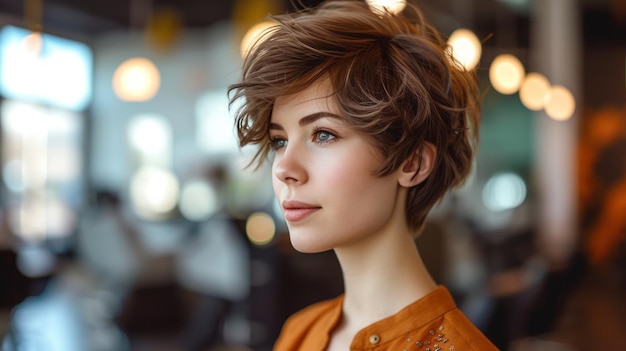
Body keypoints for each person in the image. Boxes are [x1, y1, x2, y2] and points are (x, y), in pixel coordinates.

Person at [228, 1, 498, 350]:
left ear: (412, 163)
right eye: (279, 140)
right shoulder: (300, 333)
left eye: (323, 134)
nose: (283, 169)